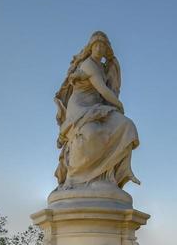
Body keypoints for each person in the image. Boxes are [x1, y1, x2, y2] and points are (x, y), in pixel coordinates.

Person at [54, 31, 140, 189]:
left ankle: (114, 175)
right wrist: (119, 105)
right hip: (80, 108)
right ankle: (75, 177)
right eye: (97, 45)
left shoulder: (103, 66)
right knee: (91, 133)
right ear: (91, 47)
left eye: (103, 46)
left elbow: (108, 90)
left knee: (127, 126)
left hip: (99, 108)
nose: (100, 48)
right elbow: (103, 90)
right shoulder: (88, 64)